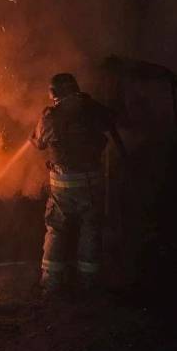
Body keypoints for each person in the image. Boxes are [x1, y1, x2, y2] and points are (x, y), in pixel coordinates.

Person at [29, 73, 127, 295]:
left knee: (56, 230)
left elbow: (38, 142)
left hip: (61, 187)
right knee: (90, 230)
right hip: (91, 185)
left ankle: (51, 284)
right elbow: (112, 121)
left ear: (55, 94)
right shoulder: (92, 110)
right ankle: (88, 283)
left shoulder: (51, 117)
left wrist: (32, 137)